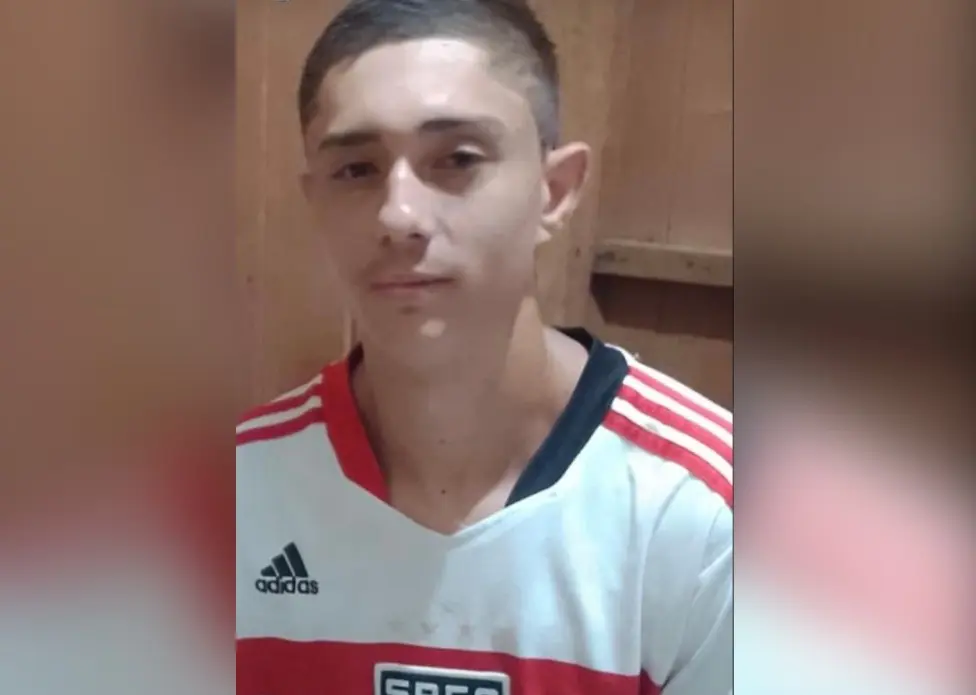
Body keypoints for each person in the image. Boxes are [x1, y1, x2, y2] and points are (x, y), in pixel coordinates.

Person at [236, 1, 732, 693]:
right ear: (315, 199)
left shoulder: (711, 518)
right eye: (356, 169)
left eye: (458, 159)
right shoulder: (228, 498)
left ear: (554, 192)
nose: (398, 214)